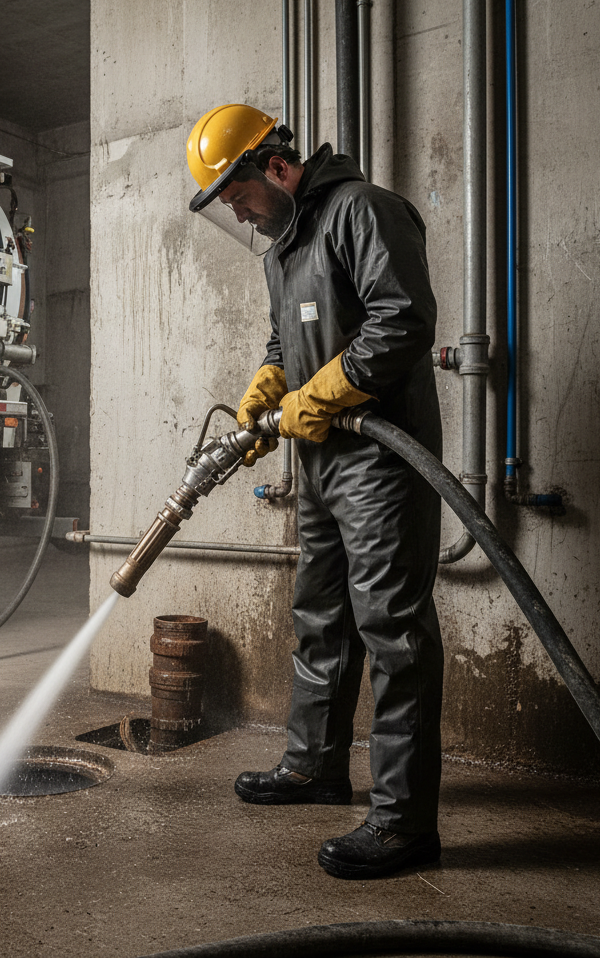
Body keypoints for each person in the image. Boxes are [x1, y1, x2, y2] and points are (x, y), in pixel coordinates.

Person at [185, 104, 444, 880]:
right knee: (320, 616)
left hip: (381, 463)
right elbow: (284, 340)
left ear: (274, 165)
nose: (237, 211)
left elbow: (401, 320)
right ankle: (315, 766)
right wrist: (270, 385)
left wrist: (322, 395)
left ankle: (403, 824)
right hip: (323, 462)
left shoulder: (362, 210)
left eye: (235, 194)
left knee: (393, 633)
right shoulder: (283, 248)